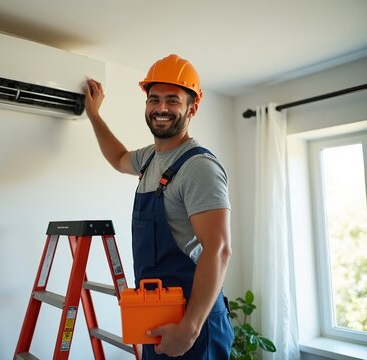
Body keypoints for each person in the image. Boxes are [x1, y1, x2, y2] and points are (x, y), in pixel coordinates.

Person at [83, 54, 234, 359]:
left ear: (192, 107)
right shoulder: (151, 157)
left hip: (194, 326)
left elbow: (218, 249)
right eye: (154, 99)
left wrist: (189, 330)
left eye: (172, 100)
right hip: (159, 318)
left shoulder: (198, 167)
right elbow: (119, 158)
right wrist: (94, 116)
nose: (161, 108)